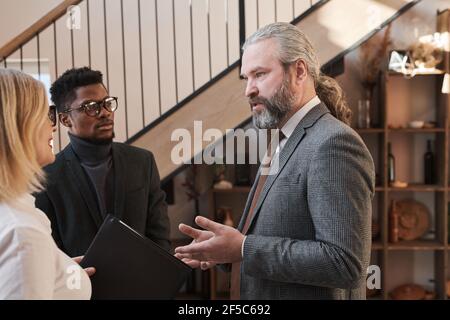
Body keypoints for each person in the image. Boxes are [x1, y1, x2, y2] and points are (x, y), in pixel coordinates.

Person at [175, 22, 375, 299]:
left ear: (299, 71)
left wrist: (244, 247)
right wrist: (225, 251)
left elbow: (344, 264)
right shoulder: (280, 141)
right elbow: (270, 236)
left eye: (260, 74)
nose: (249, 90)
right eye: (246, 78)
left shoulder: (334, 143)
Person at [35, 67, 170, 257]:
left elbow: (159, 237)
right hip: (79, 284)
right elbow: (50, 252)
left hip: (141, 282)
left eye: (107, 103)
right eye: (90, 107)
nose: (105, 112)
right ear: (65, 119)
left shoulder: (142, 162)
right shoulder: (45, 176)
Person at [0, 69, 94, 299]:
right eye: (45, 114)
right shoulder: (22, 233)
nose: (53, 126)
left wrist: (56, 271)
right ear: (19, 125)